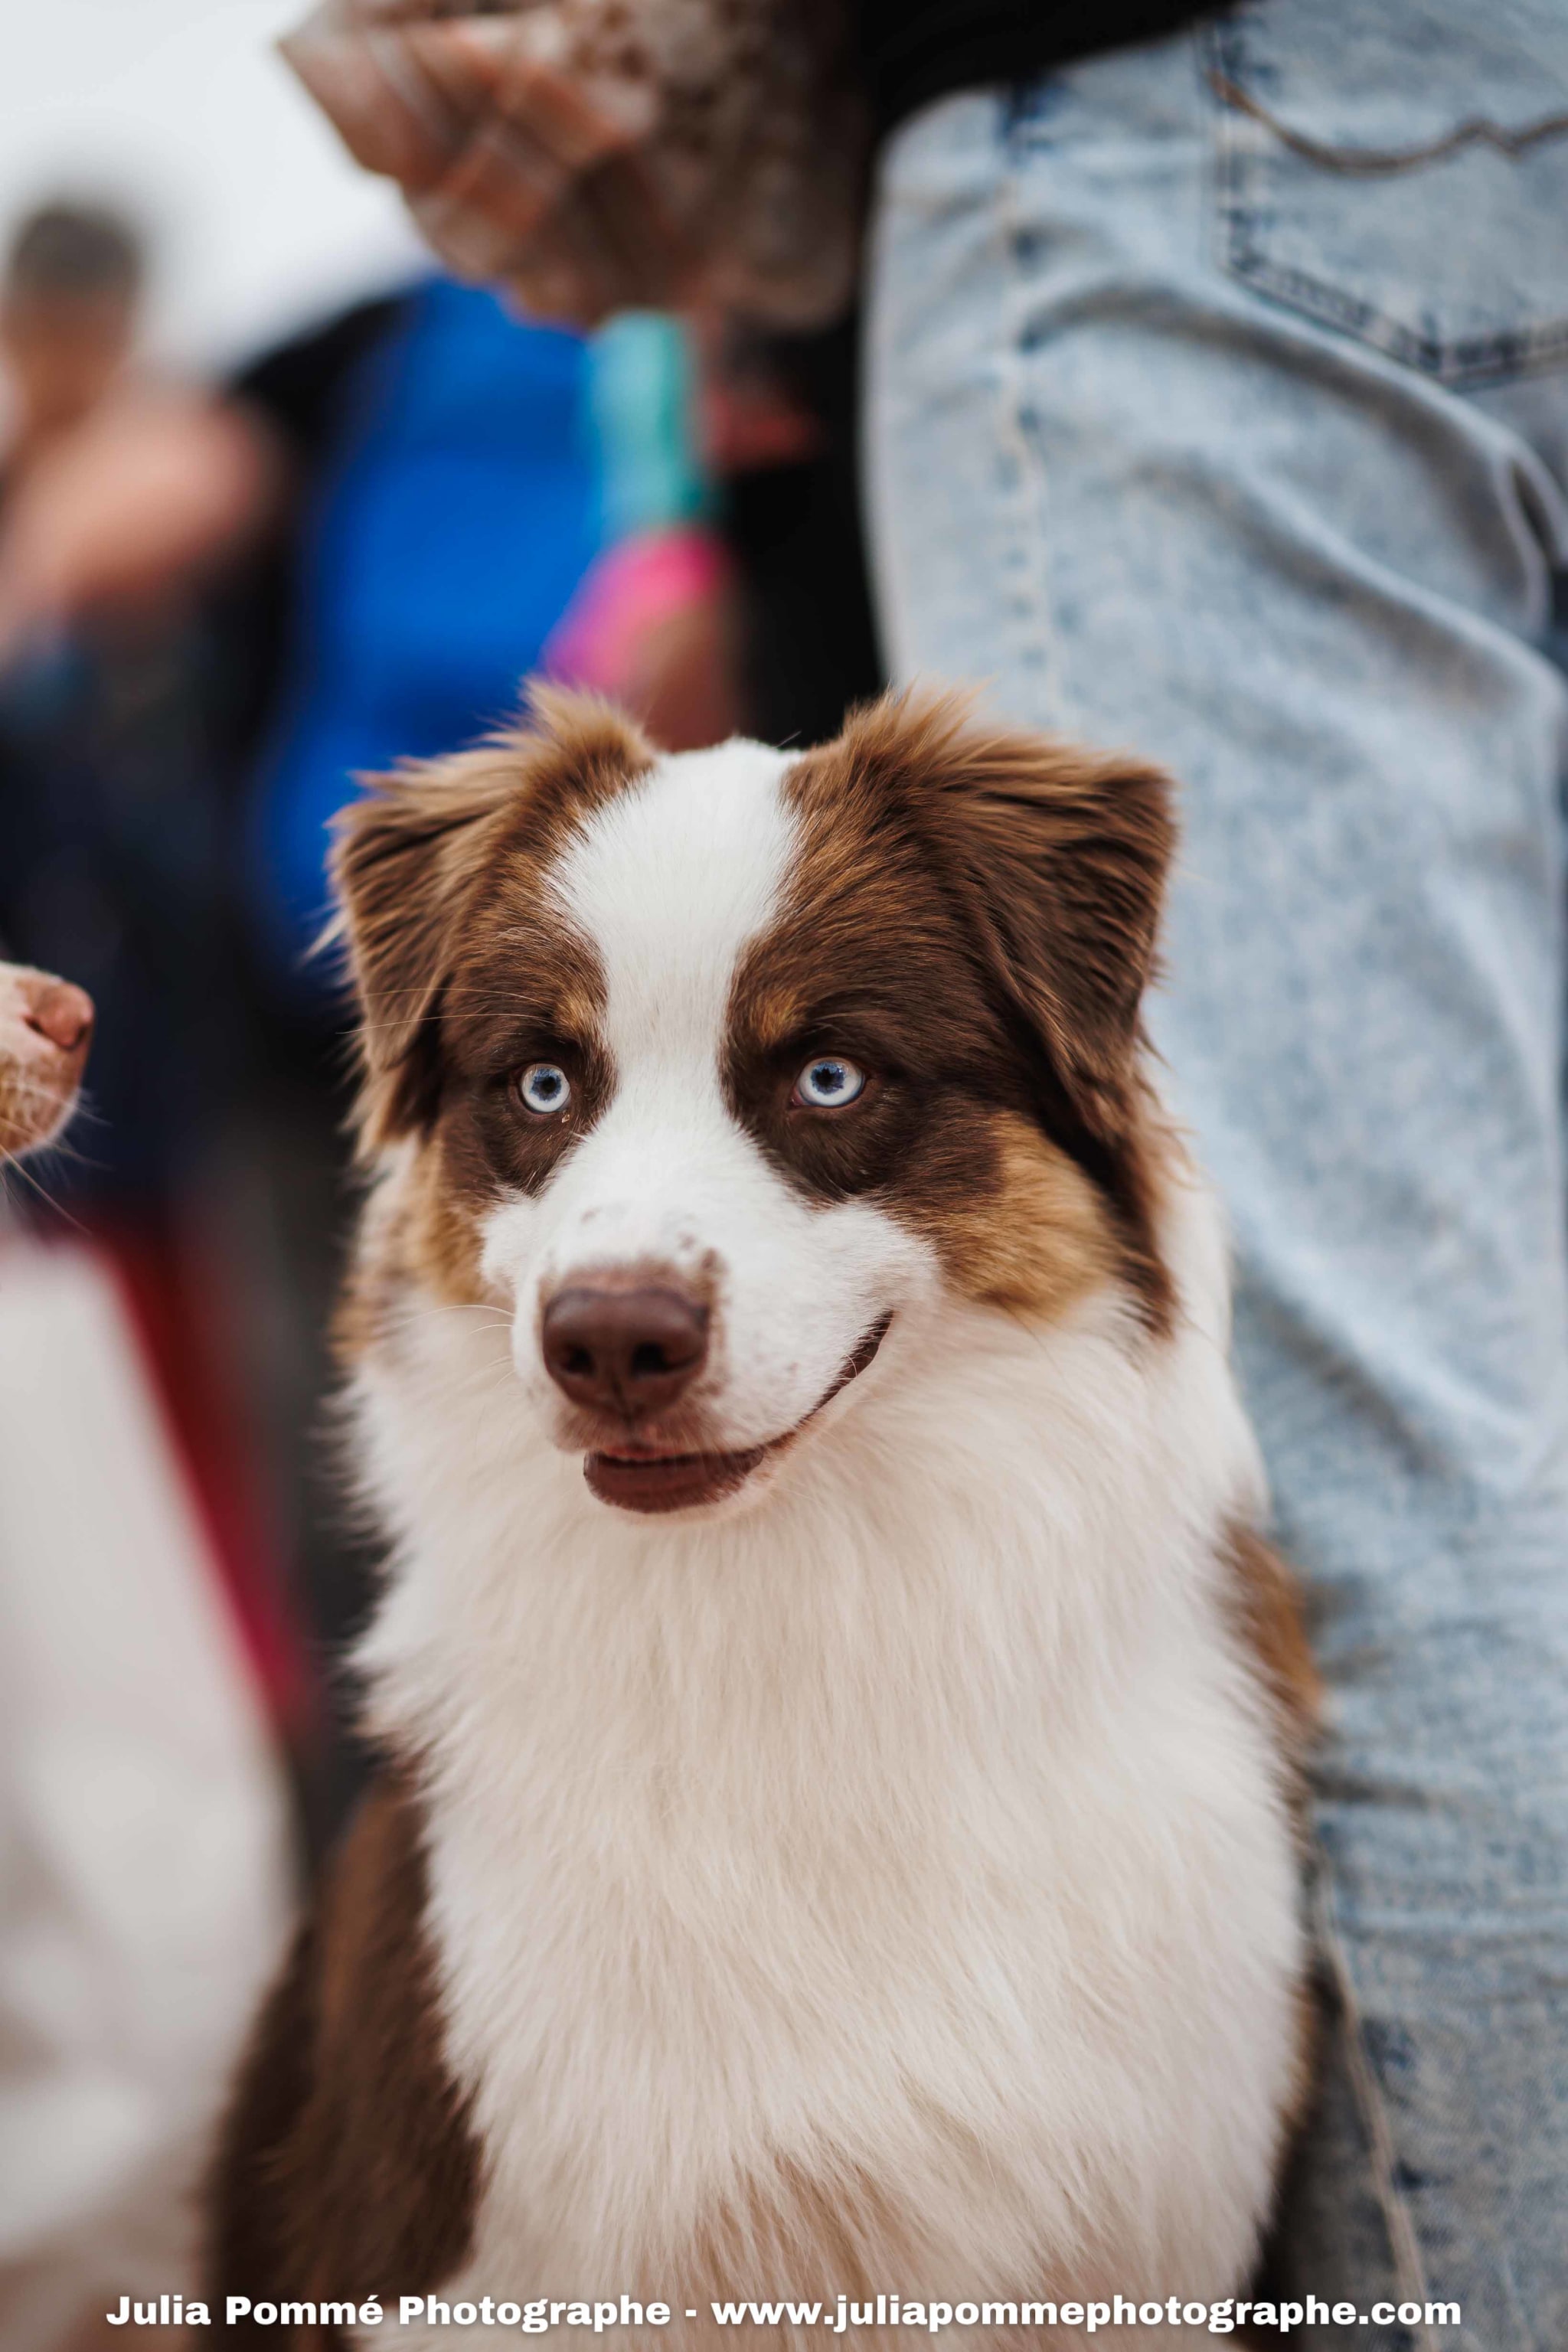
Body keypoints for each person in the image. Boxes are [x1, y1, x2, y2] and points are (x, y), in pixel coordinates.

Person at [281, 4, 1568, 2345]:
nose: (621, 1272)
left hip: (1142, 104)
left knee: (1388, 1504)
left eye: (832, 1082)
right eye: (544, 1090)